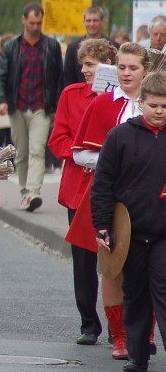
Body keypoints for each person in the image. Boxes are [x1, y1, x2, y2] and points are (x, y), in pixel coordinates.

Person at [66, 42, 150, 360]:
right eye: (122, 68)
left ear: (146, 71)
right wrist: (113, 158)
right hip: (110, 194)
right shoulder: (103, 104)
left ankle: (143, 333)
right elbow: (80, 152)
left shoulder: (155, 102)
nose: (127, 74)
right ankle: (120, 337)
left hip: (148, 196)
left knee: (148, 268)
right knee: (112, 268)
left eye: (133, 68)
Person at [91, 71, 166, 372]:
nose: (160, 111)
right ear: (141, 103)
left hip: (163, 232)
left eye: (165, 106)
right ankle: (137, 353)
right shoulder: (120, 136)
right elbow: (103, 183)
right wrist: (102, 225)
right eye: (154, 105)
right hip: (130, 229)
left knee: (162, 285)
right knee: (134, 291)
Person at [48, 39, 117, 346]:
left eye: (92, 65)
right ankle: (88, 322)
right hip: (80, 185)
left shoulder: (120, 99)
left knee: (118, 258)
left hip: (116, 188)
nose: (85, 70)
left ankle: (121, 326)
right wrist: (77, 154)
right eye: (84, 64)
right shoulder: (71, 94)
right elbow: (57, 138)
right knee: (84, 258)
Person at [0, 2, 63, 212]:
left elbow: (58, 78)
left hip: (42, 106)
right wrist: (1, 100)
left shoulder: (51, 46)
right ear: (24, 20)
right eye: (32, 22)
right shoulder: (11, 47)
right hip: (17, 106)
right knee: (22, 152)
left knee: (37, 150)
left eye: (39, 23)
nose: (35, 26)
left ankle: (34, 192)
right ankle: (24, 192)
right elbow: (0, 76)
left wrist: (57, 105)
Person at [62, 6, 117, 88]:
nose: (91, 24)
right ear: (83, 22)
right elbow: (68, 77)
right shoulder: (73, 48)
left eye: (95, 21)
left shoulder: (113, 46)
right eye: (88, 21)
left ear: (102, 22)